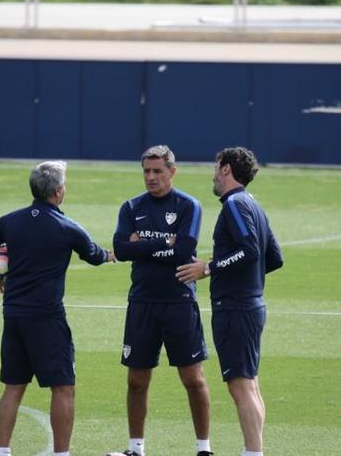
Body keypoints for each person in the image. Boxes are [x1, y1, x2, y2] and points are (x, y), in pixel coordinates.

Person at [0, 160, 116, 456]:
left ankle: (2, 452)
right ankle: (61, 454)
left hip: (14, 316)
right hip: (47, 319)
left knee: (13, 387)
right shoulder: (67, 227)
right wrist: (114, 253)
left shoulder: (11, 221)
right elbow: (95, 255)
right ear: (58, 192)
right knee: (63, 387)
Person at [106, 145, 214, 456]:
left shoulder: (188, 206)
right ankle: (136, 449)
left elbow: (184, 251)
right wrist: (165, 241)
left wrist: (143, 243)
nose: (151, 177)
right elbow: (121, 249)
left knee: (193, 379)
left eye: (157, 171)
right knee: (136, 380)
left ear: (172, 172)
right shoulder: (131, 207)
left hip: (179, 301)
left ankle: (204, 449)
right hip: (142, 302)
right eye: (146, 171)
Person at [176, 147, 283, 456]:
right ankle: (254, 450)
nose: (213, 174)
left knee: (240, 386)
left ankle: (252, 452)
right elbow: (273, 258)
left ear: (225, 169)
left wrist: (210, 268)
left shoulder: (234, 205)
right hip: (251, 305)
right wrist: (244, 277)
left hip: (236, 308)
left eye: (215, 167)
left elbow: (250, 250)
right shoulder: (253, 205)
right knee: (250, 385)